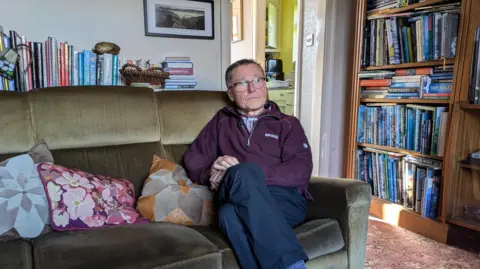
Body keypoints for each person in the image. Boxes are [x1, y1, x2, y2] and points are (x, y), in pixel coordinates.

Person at [183, 59, 313, 269]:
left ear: (265, 84)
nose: (252, 88)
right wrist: (212, 171)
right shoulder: (222, 120)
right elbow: (193, 158)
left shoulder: (288, 123)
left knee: (228, 215)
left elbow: (300, 171)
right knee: (241, 175)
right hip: (234, 191)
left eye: (258, 80)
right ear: (230, 93)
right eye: (242, 83)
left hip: (285, 201)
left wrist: (247, 173)